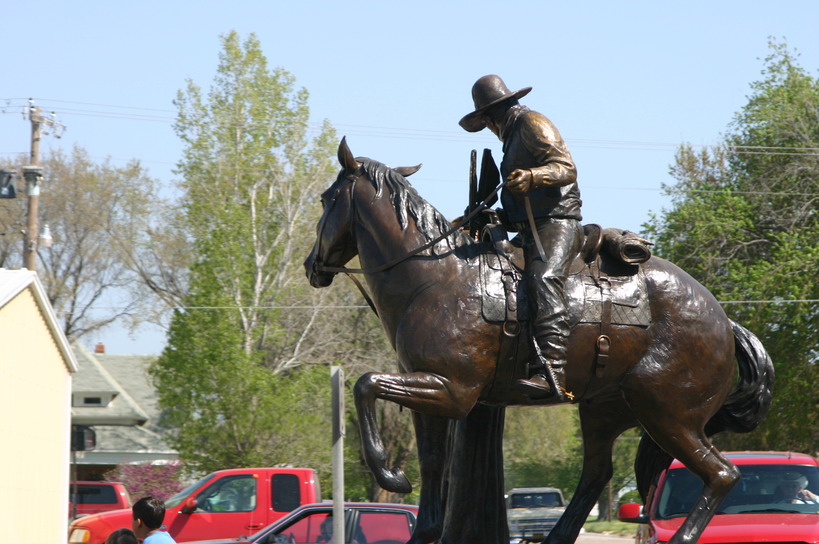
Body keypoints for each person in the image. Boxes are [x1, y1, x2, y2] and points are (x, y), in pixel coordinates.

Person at [460, 74, 582, 400]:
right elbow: (521, 204)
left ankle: (552, 372)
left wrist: (533, 175)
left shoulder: (532, 122)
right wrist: (495, 216)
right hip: (529, 229)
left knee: (544, 278)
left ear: (490, 117)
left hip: (556, 224)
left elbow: (566, 168)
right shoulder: (511, 137)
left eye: (486, 122)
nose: (488, 128)